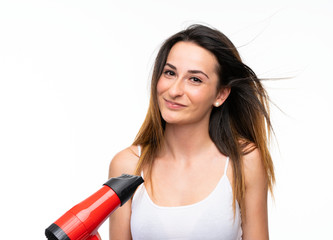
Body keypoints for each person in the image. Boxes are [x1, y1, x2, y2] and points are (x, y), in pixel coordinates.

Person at [108, 24, 275, 240]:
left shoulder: (243, 161)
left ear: (221, 95)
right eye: (169, 73)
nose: (174, 90)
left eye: (194, 79)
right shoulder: (127, 165)